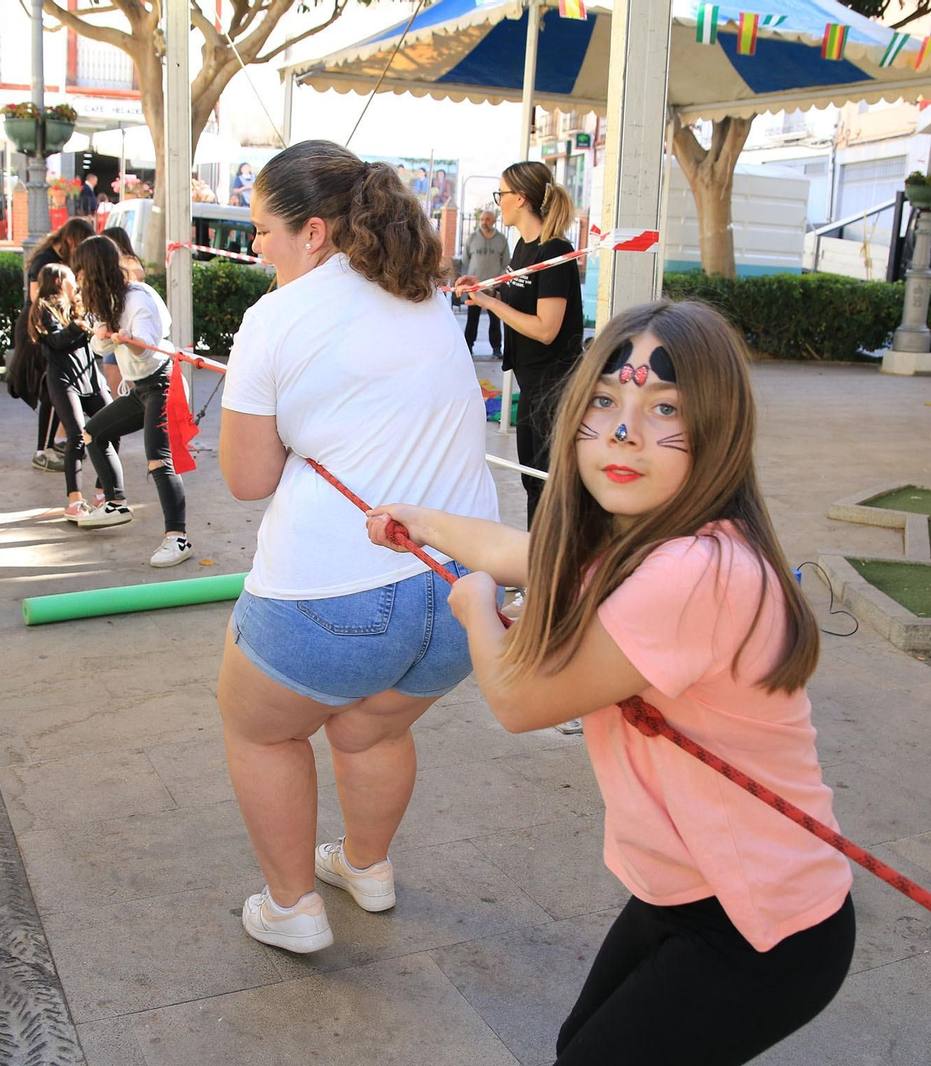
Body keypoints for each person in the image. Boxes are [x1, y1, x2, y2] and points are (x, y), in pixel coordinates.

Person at [366, 300, 854, 1065]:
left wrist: (476, 609)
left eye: (665, 408)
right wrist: (421, 522)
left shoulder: (696, 570)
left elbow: (520, 699)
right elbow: (522, 550)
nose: (624, 430)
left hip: (758, 921)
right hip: (683, 893)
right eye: (604, 401)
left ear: (720, 430)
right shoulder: (645, 540)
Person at [217, 140, 499, 954]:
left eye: (262, 229)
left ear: (312, 232)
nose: (255, 247)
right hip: (464, 587)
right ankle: (366, 867)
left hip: (329, 595)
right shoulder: (424, 294)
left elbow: (245, 477)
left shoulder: (274, 319)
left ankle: (292, 906)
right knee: (372, 729)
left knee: (260, 728)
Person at [458, 161, 583, 527]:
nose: (498, 202)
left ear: (522, 198)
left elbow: (546, 328)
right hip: (531, 384)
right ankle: (535, 556)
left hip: (555, 387)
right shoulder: (523, 248)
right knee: (533, 481)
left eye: (502, 194)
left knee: (549, 485)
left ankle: (547, 559)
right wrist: (487, 291)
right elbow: (519, 299)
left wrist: (491, 304)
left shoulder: (555, 252)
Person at [71, 236, 192, 563]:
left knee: (158, 459)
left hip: (162, 383)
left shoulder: (138, 297)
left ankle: (178, 539)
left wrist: (127, 340)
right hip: (139, 388)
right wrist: (105, 337)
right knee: (93, 433)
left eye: (81, 272)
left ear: (94, 270)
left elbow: (146, 348)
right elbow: (100, 346)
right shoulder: (106, 299)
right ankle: (115, 503)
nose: (78, 280)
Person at [28, 262, 111, 522]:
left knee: (112, 426)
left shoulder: (80, 305)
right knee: (76, 436)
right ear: (57, 281)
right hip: (63, 380)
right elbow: (56, 341)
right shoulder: (44, 308)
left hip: (91, 378)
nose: (75, 281)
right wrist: (77, 326)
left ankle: (103, 493)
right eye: (70, 277)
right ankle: (74, 501)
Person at [13, 217, 97, 471]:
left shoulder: (61, 263)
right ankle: (44, 449)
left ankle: (50, 444)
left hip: (54, 327)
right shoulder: (45, 264)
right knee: (50, 391)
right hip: (40, 334)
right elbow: (37, 296)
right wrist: (69, 322)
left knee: (53, 393)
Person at [462, 209, 509, 358]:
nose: (484, 222)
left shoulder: (501, 239)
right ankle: (468, 347)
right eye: (482, 219)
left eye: (487, 219)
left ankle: (496, 348)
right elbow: (465, 259)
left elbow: (506, 262)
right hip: (475, 287)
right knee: (472, 319)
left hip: (494, 287)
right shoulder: (472, 238)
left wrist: (497, 277)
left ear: (494, 221)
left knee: (495, 319)